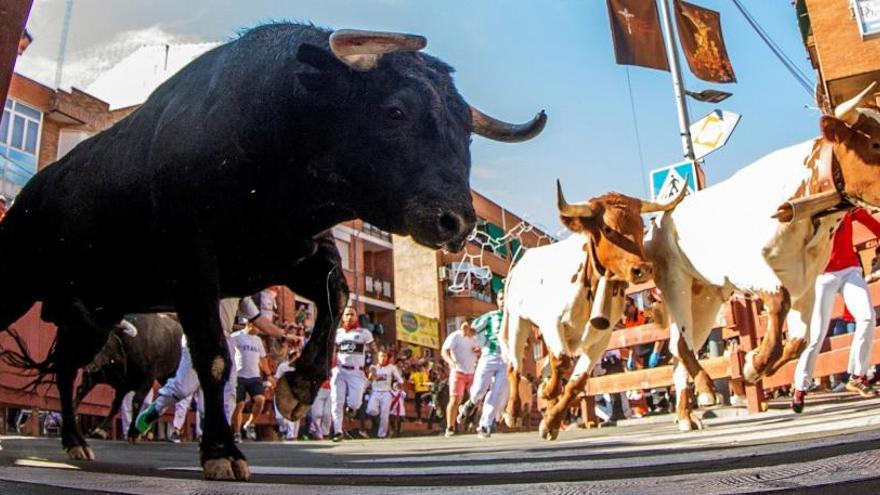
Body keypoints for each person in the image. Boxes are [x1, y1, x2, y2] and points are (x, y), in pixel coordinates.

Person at [135, 294, 296, 435]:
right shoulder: (202, 277)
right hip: (198, 335)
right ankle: (155, 410)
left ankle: (221, 432)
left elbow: (259, 320)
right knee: (183, 388)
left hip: (224, 338)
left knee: (229, 390)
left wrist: (283, 336)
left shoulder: (239, 291)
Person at [792, 208, 880, 413]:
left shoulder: (847, 201)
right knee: (816, 335)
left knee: (867, 317)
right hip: (823, 275)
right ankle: (800, 386)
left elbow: (868, 220)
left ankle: (858, 376)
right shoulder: (814, 207)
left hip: (850, 269)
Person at [457, 290, 508, 439]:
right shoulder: (490, 316)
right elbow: (473, 331)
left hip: (506, 360)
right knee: (479, 389)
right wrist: (467, 330)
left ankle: (485, 425)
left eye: (505, 298)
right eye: (500, 299)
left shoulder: (516, 318)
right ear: (497, 301)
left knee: (497, 392)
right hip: (489, 357)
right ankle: (470, 403)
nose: (503, 302)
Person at [330, 306, 378, 442]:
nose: (350, 317)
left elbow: (374, 350)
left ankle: (351, 408)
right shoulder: (337, 333)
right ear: (343, 317)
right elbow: (332, 351)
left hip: (356, 371)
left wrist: (373, 367)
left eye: (352, 314)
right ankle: (338, 431)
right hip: (339, 370)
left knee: (356, 402)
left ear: (356, 317)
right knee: (336, 401)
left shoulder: (364, 333)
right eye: (347, 314)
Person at [231, 322, 272, 442]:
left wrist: (268, 375)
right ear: (250, 324)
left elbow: (263, 358)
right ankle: (237, 433)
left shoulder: (258, 340)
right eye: (257, 327)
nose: (259, 330)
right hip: (239, 376)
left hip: (254, 376)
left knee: (260, 400)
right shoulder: (236, 337)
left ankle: (250, 423)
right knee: (239, 405)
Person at [442, 319, 479, 437]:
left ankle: (469, 416)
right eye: (463, 327)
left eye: (468, 327)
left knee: (477, 398)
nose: (465, 330)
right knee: (455, 400)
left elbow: (482, 351)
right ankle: (450, 427)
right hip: (458, 372)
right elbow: (444, 351)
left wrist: (479, 352)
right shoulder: (455, 336)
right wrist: (451, 361)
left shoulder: (476, 338)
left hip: (472, 372)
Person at [365, 350, 403, 438]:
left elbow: (399, 378)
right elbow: (369, 380)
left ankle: (381, 434)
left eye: (385, 356)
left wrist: (400, 382)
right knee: (371, 410)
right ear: (378, 357)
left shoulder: (391, 367)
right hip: (375, 392)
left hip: (386, 393)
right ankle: (377, 413)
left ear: (387, 358)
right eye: (381, 356)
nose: (383, 358)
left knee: (384, 415)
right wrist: (365, 386)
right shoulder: (374, 367)